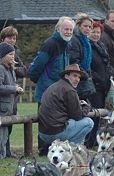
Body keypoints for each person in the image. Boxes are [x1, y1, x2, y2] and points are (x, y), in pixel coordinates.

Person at [29, 16, 74, 155]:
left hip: (60, 91)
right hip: (46, 91)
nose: (68, 32)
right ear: (58, 29)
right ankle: (43, 151)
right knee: (46, 123)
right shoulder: (50, 44)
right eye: (66, 29)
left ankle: (56, 150)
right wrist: (42, 82)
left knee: (59, 121)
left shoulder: (66, 45)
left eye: (71, 29)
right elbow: (36, 67)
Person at [38, 64, 94, 145]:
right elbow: (78, 116)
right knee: (89, 122)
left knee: (71, 121)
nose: (77, 80)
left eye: (79, 77)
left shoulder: (53, 86)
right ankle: (73, 148)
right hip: (56, 133)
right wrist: (86, 106)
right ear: (66, 76)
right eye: (74, 76)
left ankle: (65, 148)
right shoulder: (69, 90)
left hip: (42, 133)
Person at [84, 21, 112, 149]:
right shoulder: (88, 47)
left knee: (100, 115)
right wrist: (97, 78)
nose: (96, 34)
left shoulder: (101, 46)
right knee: (93, 114)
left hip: (103, 87)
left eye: (98, 32)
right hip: (93, 86)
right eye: (93, 32)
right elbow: (89, 67)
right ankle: (90, 142)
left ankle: (95, 141)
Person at [1, 25, 28, 157]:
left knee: (8, 128)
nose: (12, 40)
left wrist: (14, 69)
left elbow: (24, 70)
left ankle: (6, 153)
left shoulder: (14, 57)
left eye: (14, 38)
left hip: (11, 101)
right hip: (3, 101)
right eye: (9, 38)